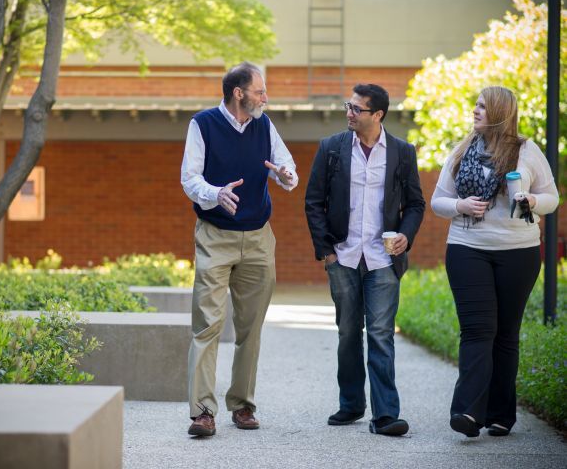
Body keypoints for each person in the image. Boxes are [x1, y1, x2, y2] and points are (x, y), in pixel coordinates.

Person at [431, 86, 559, 438]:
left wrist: (533, 199)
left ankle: (501, 415)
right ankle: (467, 413)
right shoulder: (461, 149)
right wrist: (461, 206)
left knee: (505, 334)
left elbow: (552, 197)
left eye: (482, 106)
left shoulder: (527, 151)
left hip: (519, 251)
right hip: (467, 247)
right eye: (475, 104)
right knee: (477, 330)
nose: (475, 110)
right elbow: (438, 201)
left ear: (501, 111)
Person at [181, 62, 298, 437]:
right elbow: (189, 178)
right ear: (239, 93)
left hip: (259, 237)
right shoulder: (203, 124)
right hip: (215, 236)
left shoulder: (265, 125)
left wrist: (285, 176)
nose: (266, 97)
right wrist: (215, 194)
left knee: (251, 327)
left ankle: (243, 404)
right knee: (207, 326)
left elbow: (287, 167)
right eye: (260, 91)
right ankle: (202, 412)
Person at [305, 84, 425, 436]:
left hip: (383, 260)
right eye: (348, 106)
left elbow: (415, 204)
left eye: (357, 109)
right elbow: (314, 202)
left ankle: (386, 414)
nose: (349, 113)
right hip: (342, 256)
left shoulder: (402, 152)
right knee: (347, 334)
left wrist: (406, 234)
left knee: (381, 335)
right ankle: (351, 404)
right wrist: (326, 252)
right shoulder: (331, 149)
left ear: (378, 115)